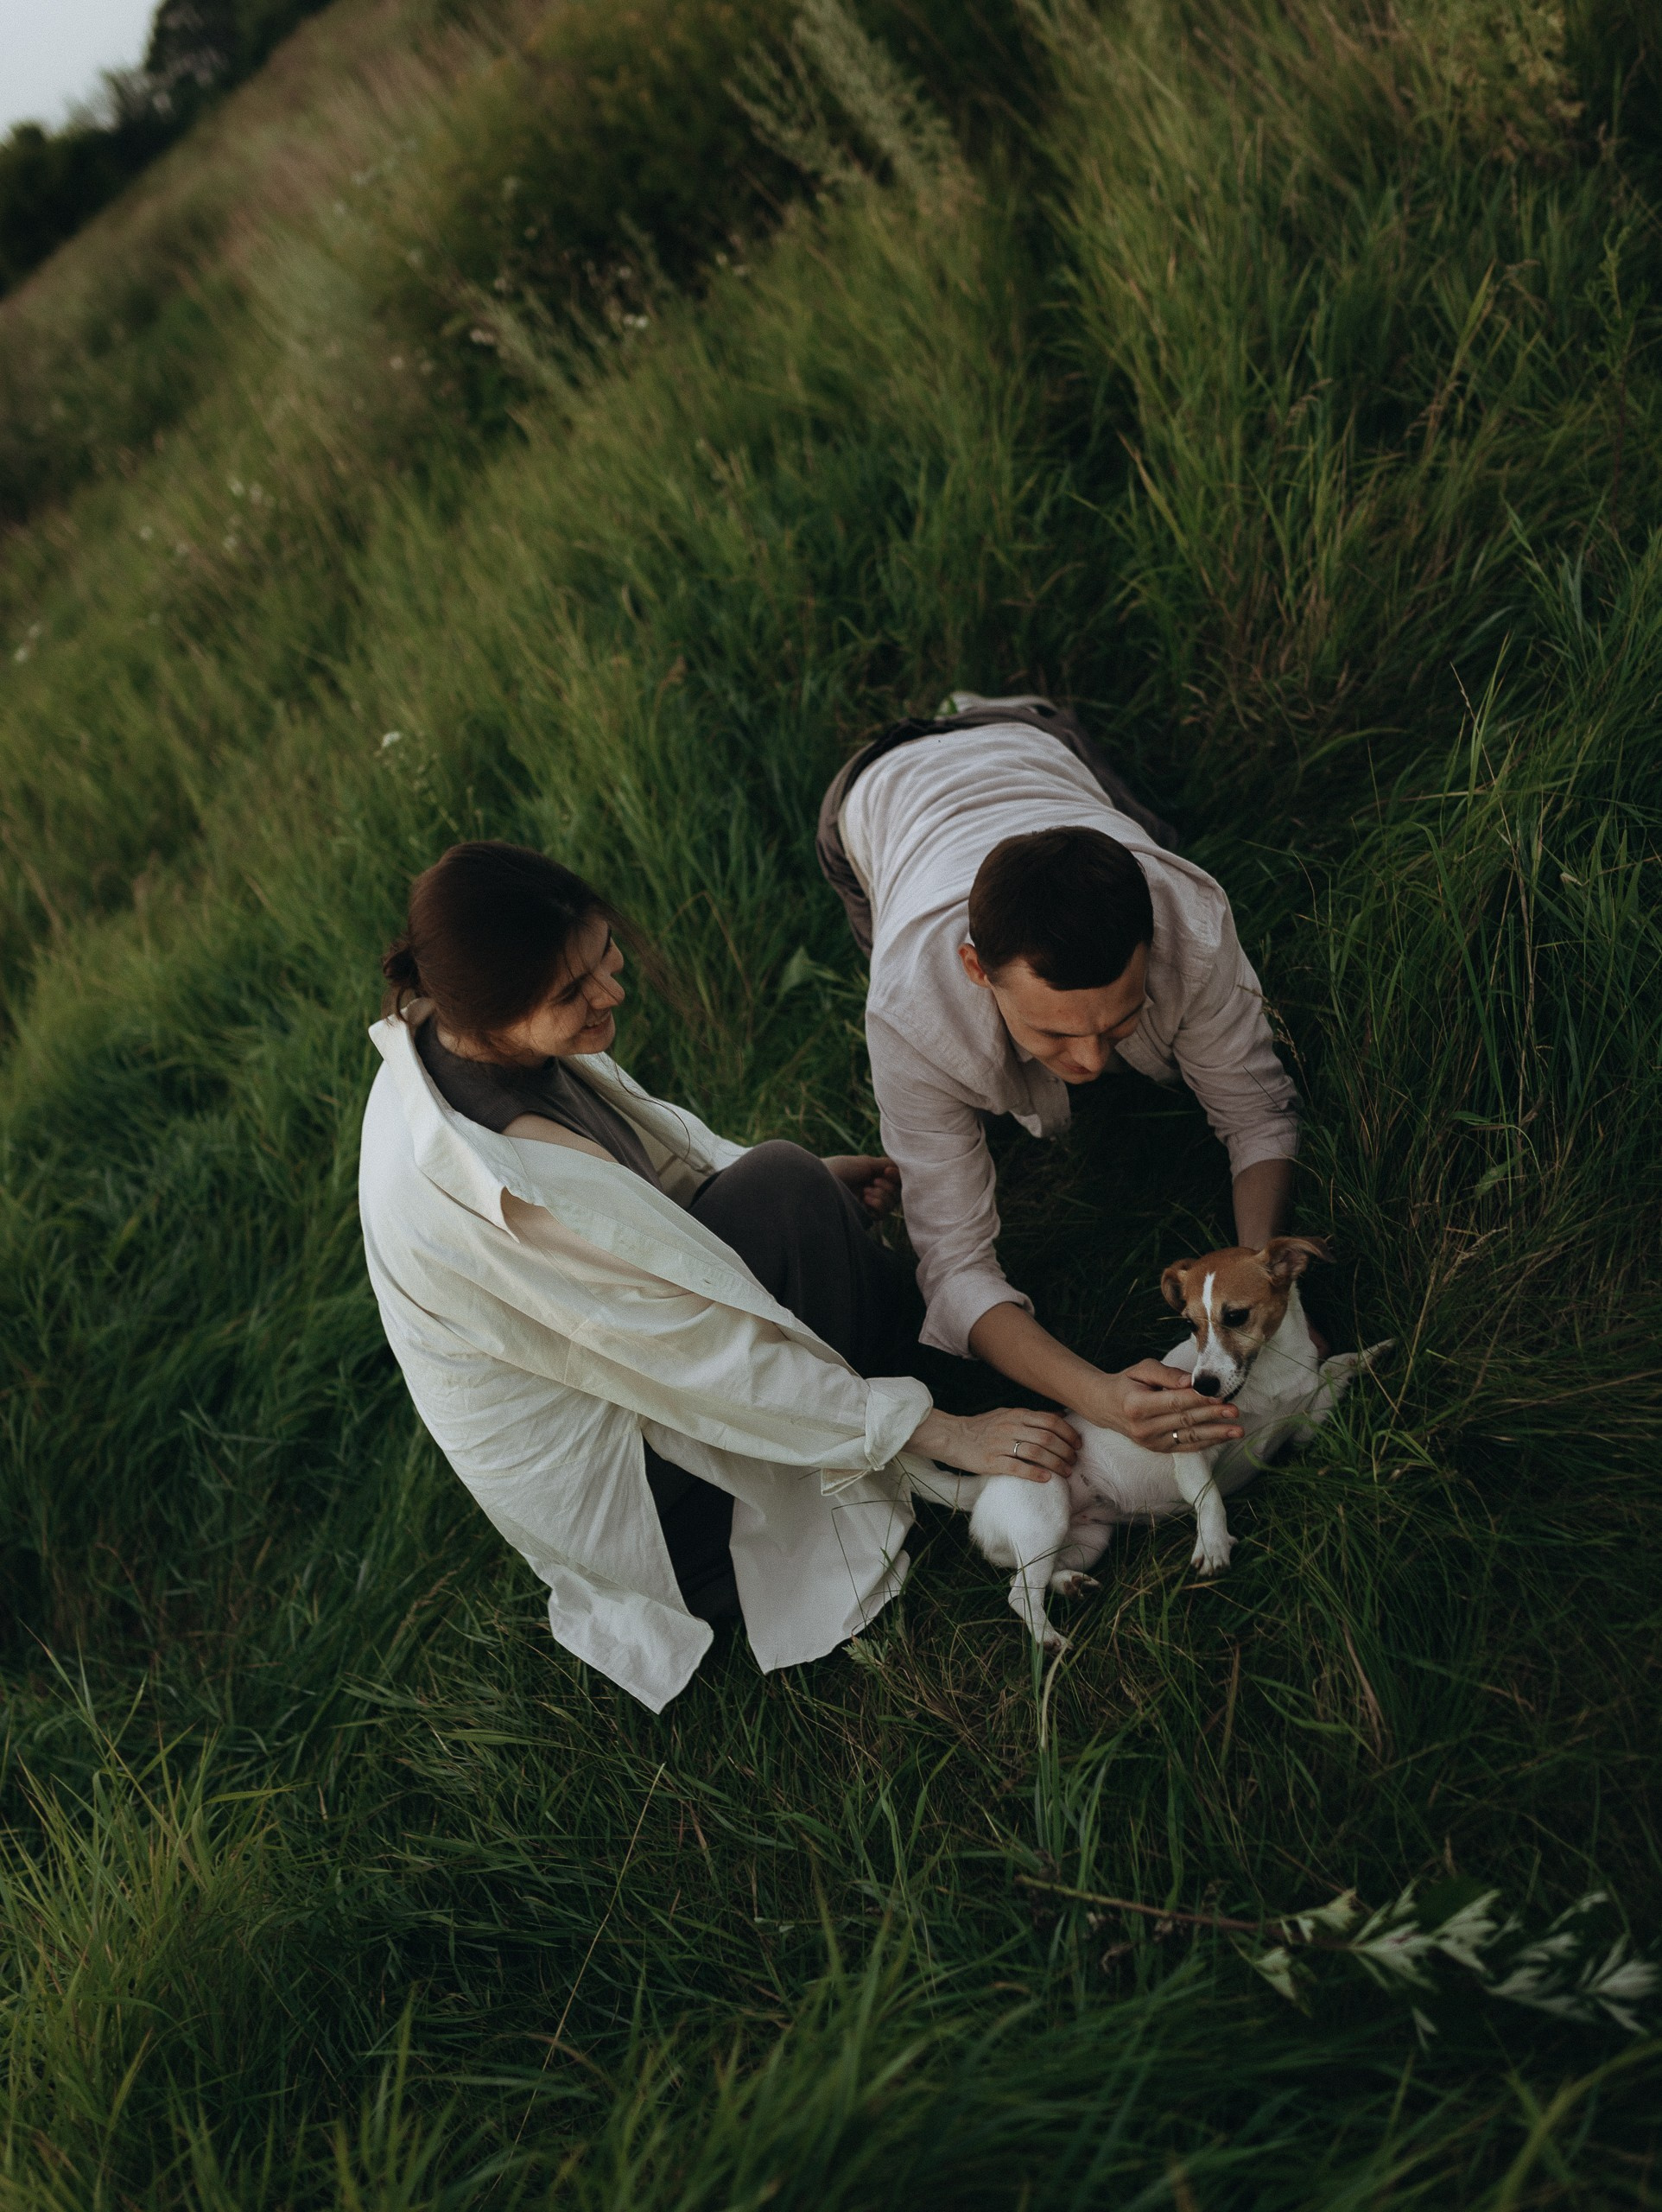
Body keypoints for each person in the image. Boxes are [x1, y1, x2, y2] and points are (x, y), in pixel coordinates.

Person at [357, 841, 1080, 1712]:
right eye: (574, 991)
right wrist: (942, 1433)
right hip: (672, 1516)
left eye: (604, 956)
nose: (610, 993)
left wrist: (806, 1185)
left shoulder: (471, 1035)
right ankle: (945, 1387)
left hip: (651, 1375)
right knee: (783, 1197)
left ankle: (940, 1343)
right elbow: (705, 1362)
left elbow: (648, 1177)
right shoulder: (509, 1187)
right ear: (498, 1012)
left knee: (784, 1184)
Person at [816, 692, 1306, 1450]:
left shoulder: (1188, 920)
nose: (1091, 1062)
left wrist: (1261, 1282)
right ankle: (962, 718)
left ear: (1151, 943)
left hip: (1030, 753)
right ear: (976, 969)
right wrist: (1101, 1398)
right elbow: (953, 1268)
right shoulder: (910, 1016)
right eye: (1054, 1032)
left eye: (1119, 1021)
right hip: (876, 795)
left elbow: (1258, 1112)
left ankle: (1011, 722)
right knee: (893, 937)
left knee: (1164, 838)